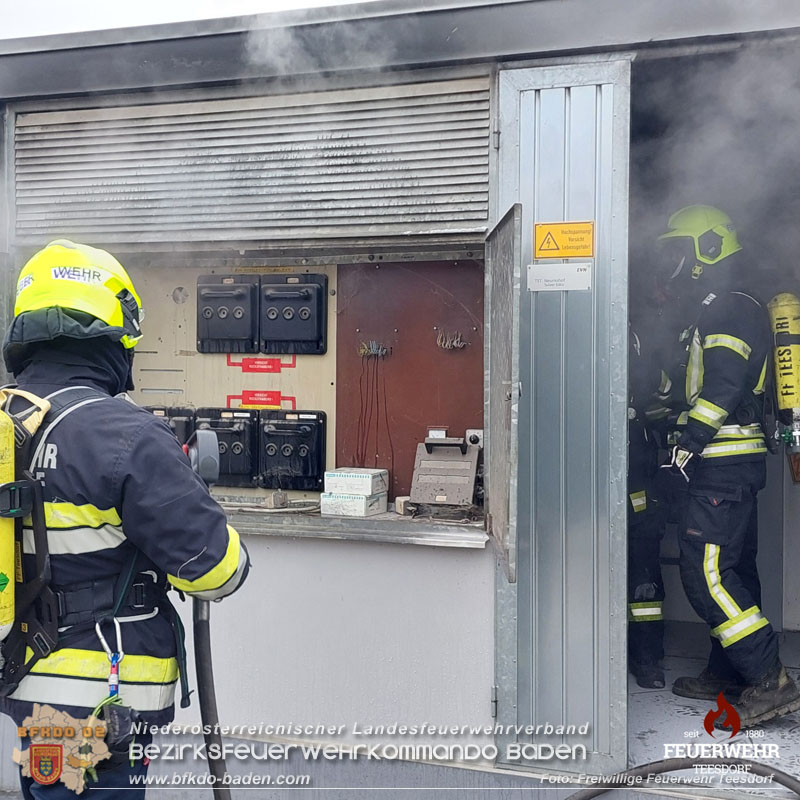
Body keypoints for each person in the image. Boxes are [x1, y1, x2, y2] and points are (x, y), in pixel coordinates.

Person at [0, 240, 250, 797]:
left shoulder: (4, 423)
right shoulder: (124, 434)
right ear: (111, 335)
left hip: (25, 682)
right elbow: (218, 573)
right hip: (98, 706)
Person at [656, 206, 800, 727]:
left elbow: (722, 388)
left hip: (719, 465)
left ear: (709, 246)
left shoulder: (729, 308)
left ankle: (770, 679)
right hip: (733, 466)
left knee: (707, 573)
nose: (675, 260)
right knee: (733, 568)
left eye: (682, 247)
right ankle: (729, 672)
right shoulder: (726, 304)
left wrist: (686, 450)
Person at [627, 327, 666, 689]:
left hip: (640, 499)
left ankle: (648, 660)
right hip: (587, 505)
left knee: (644, 586)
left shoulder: (644, 368)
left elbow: (662, 408)